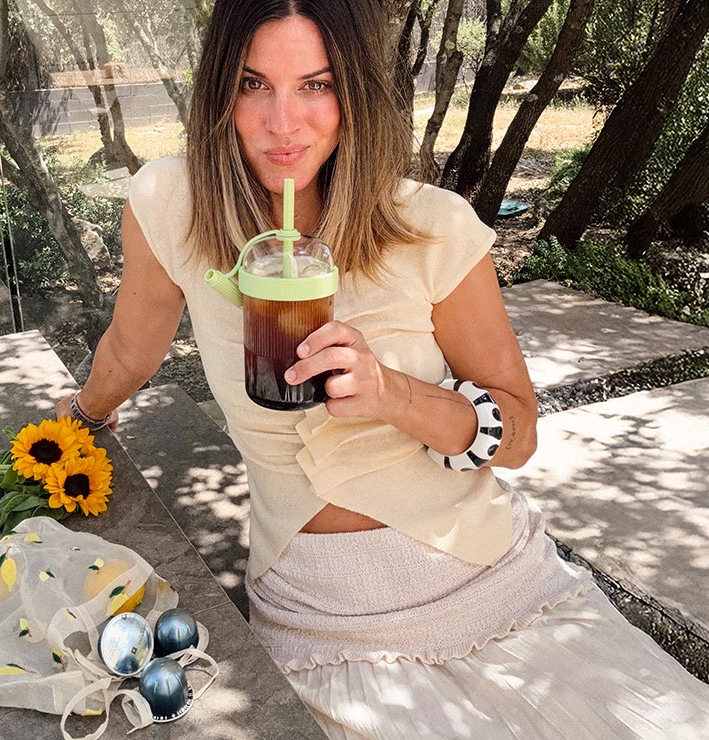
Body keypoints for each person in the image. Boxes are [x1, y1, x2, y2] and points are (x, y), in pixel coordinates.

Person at [56, 1, 709, 737]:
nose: (283, 123)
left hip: (498, 584)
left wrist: (393, 393)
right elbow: (129, 347)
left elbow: (519, 433)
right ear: (219, 93)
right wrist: (73, 427)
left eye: (316, 85)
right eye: (253, 84)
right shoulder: (172, 205)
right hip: (324, 624)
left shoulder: (432, 226)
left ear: (354, 94)